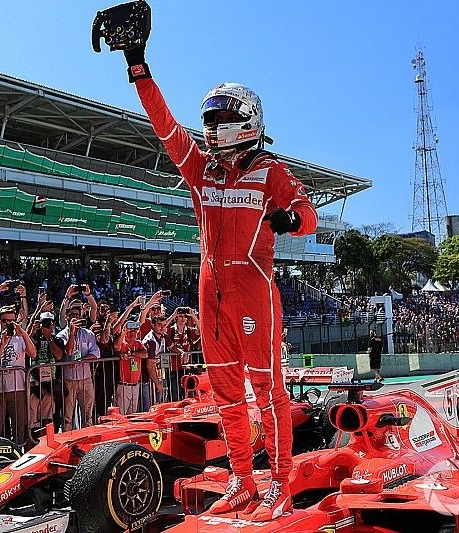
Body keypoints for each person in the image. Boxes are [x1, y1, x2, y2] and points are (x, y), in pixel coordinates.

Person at [117, 5, 318, 518]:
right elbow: (163, 124)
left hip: (254, 289)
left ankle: (281, 480)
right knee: (227, 391)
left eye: (225, 118)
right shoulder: (199, 167)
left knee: (268, 388)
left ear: (249, 121)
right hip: (210, 290)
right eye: (211, 118)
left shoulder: (271, 169)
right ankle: (243, 478)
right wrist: (138, 64)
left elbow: (307, 213)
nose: (214, 126)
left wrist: (289, 222)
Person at [0, 305, 36, 444]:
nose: (8, 324)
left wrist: (24, 334)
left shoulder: (20, 337)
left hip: (18, 387)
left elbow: (33, 354)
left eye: (11, 321)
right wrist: (2, 344)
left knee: (19, 426)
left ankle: (18, 455)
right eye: (5, 321)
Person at [57, 301, 100, 431]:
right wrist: (71, 333)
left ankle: (88, 441)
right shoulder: (61, 335)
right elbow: (69, 352)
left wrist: (81, 360)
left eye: (77, 314)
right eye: (72, 315)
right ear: (67, 317)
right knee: (67, 416)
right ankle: (68, 443)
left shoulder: (88, 334)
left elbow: (96, 353)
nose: (75, 317)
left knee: (87, 415)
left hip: (86, 379)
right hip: (68, 379)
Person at [28, 312, 65, 436]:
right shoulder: (33, 338)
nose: (46, 325)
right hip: (34, 384)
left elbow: (59, 355)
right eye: (43, 323)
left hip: (50, 385)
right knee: (32, 419)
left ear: (53, 324)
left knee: (48, 418)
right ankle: (31, 445)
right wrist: (33, 332)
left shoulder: (57, 339)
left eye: (48, 323)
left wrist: (49, 338)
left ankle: (46, 443)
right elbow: (27, 351)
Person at [113, 320, 147, 414]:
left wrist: (132, 354)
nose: (133, 333)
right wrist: (123, 332)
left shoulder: (138, 344)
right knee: (121, 414)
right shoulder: (123, 343)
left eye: (135, 331)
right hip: (124, 385)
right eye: (130, 331)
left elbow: (145, 354)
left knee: (133, 414)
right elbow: (116, 346)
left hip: (135, 385)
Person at [140, 315, 172, 410]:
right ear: (153, 325)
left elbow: (172, 346)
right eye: (159, 325)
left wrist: (182, 353)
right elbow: (149, 365)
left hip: (157, 375)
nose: (162, 327)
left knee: (159, 404)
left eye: (164, 325)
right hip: (146, 378)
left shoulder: (163, 336)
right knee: (148, 407)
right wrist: (157, 383)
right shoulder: (150, 340)